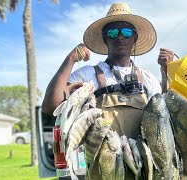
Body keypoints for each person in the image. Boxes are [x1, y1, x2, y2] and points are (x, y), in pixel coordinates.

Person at [41, 2, 174, 179]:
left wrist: (166, 73)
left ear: (134, 38)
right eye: (112, 32)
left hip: (142, 169)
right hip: (103, 170)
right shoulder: (88, 74)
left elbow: (162, 120)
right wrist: (71, 58)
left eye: (126, 32)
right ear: (105, 39)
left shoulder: (148, 78)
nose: (120, 37)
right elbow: (51, 105)